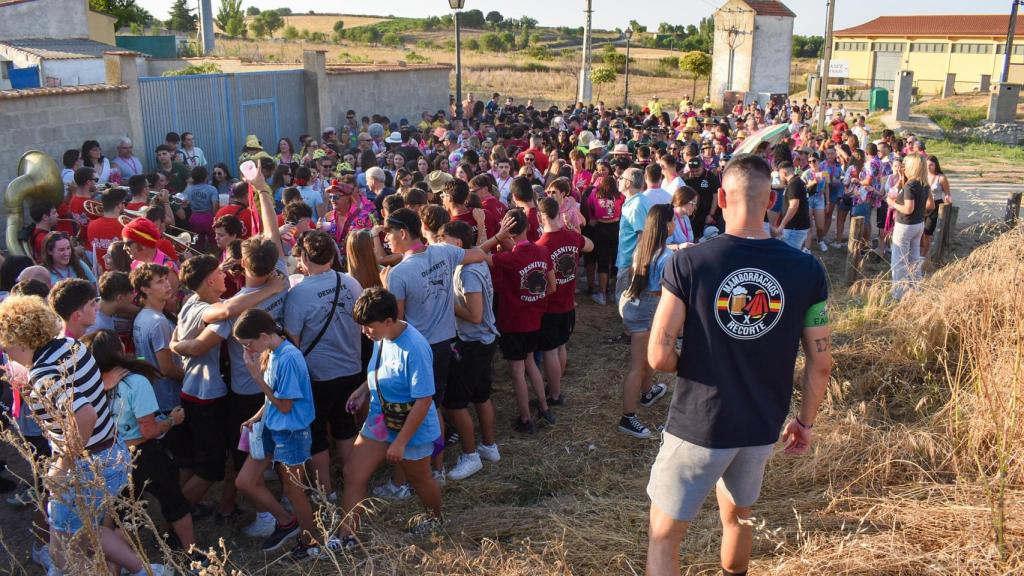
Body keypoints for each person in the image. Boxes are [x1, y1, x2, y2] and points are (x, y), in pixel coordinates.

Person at [645, 154, 831, 576]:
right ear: (771, 202)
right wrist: (805, 422)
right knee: (739, 517)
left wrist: (692, 359)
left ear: (723, 198)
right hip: (761, 423)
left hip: (699, 421)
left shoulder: (689, 262)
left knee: (664, 538)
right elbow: (821, 364)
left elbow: (657, 355)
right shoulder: (807, 269)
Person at [0, 295, 171, 576]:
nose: (6, 354)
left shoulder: (44, 376)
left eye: (6, 347)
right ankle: (145, 570)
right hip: (112, 452)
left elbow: (85, 415)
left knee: (65, 550)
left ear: (22, 341)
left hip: (87, 466)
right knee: (87, 526)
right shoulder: (70, 347)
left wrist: (62, 466)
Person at [339, 287, 444, 546]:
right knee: (353, 473)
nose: (365, 333)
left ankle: (436, 521)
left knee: (419, 479)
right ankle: (347, 536)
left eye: (368, 327)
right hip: (381, 417)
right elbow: (381, 369)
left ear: (388, 321)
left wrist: (400, 442)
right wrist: (364, 389)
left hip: (411, 424)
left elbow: (423, 400)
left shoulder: (415, 349)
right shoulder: (381, 336)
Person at [81, 329, 197, 555]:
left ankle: (121, 563)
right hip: (143, 454)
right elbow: (150, 430)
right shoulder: (135, 382)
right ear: (117, 350)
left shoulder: (87, 386)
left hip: (109, 457)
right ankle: (194, 555)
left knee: (123, 513)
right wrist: (172, 420)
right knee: (174, 502)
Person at [232, 309, 329, 560]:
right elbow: (273, 398)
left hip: (291, 433)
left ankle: (310, 542)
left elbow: (285, 405)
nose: (248, 350)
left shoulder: (288, 358)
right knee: (244, 481)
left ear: (264, 335)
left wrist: (256, 377)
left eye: (248, 344)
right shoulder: (272, 352)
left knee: (294, 491)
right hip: (272, 427)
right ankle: (287, 523)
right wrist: (256, 416)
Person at [284, 230, 365, 499]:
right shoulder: (351, 283)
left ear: (305, 257)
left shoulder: (299, 294)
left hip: (317, 375)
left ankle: (325, 491)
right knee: (345, 426)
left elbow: (293, 341)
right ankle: (355, 480)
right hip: (352, 369)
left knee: (317, 433)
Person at [481, 209, 556, 433]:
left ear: (507, 232)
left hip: (513, 322)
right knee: (531, 362)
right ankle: (544, 407)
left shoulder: (508, 259)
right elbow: (552, 286)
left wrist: (495, 236)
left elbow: (478, 253)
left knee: (516, 371)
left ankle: (525, 419)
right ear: (528, 227)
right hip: (535, 319)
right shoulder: (542, 251)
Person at [438, 220, 500, 481]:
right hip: (484, 339)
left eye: (445, 240)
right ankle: (489, 446)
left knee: (454, 403)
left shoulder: (468, 272)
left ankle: (471, 455)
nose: (440, 245)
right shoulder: (474, 262)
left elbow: (475, 315)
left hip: (473, 342)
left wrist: (448, 304)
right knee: (481, 396)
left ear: (458, 244)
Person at [617, 205, 675, 439]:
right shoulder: (666, 256)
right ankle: (627, 417)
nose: (674, 225)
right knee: (637, 366)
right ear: (665, 226)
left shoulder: (644, 246)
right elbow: (668, 291)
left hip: (635, 306)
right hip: (645, 311)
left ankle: (648, 391)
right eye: (672, 221)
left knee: (648, 355)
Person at [536, 196, 592, 408]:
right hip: (568, 303)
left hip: (550, 306)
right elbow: (590, 246)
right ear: (559, 213)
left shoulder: (541, 245)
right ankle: (555, 386)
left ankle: (555, 394)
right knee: (561, 346)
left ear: (541, 217)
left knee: (550, 350)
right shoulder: (572, 237)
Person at [886, 154, 932, 300]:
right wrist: (921, 212)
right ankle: (915, 291)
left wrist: (891, 202)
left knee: (899, 261)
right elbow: (931, 205)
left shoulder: (910, 185)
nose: (902, 168)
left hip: (905, 225)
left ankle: (898, 295)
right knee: (914, 260)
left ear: (911, 167)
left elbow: (908, 209)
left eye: (905, 166)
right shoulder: (924, 184)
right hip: (918, 224)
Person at [615, 167, 653, 303]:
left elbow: (642, 236)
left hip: (630, 261)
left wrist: (635, 263)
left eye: (621, 178)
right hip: (628, 258)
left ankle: (626, 321)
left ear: (628, 183)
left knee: (625, 298)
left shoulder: (636, 205)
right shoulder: (637, 200)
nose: (618, 181)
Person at [85, 186, 126, 273]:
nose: (124, 205)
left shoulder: (91, 225)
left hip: (100, 274)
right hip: (120, 275)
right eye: (123, 203)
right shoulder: (125, 226)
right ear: (119, 205)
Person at [775, 162, 811, 252]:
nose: (780, 177)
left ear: (783, 172)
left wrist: (782, 224)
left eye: (779, 173)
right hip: (797, 226)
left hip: (795, 227)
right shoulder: (797, 181)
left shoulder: (793, 184)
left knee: (790, 253)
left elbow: (794, 206)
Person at [182, 166, 220, 248]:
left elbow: (184, 202)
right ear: (206, 176)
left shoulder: (189, 189)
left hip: (194, 218)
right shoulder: (212, 189)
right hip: (209, 218)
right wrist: (216, 217)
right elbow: (215, 205)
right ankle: (216, 257)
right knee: (215, 242)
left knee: (197, 243)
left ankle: (199, 257)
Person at [922, 155, 951, 256]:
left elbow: (947, 193)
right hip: (922, 205)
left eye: (931, 165)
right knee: (920, 231)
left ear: (936, 165)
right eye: (927, 165)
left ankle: (924, 256)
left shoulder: (941, 178)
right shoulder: (923, 176)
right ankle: (920, 253)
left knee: (927, 232)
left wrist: (948, 199)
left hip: (936, 205)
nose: (929, 167)